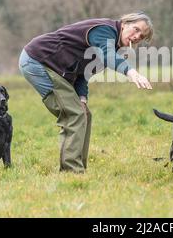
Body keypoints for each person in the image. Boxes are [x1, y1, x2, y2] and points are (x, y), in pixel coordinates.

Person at [18, 12, 153, 173]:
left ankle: (79, 167)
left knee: (84, 113)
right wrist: (131, 72)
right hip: (38, 61)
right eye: (136, 29)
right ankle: (71, 171)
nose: (137, 36)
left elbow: (83, 73)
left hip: (52, 66)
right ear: (124, 23)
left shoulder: (114, 45)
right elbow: (107, 56)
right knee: (74, 114)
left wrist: (82, 97)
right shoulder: (104, 30)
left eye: (142, 35)